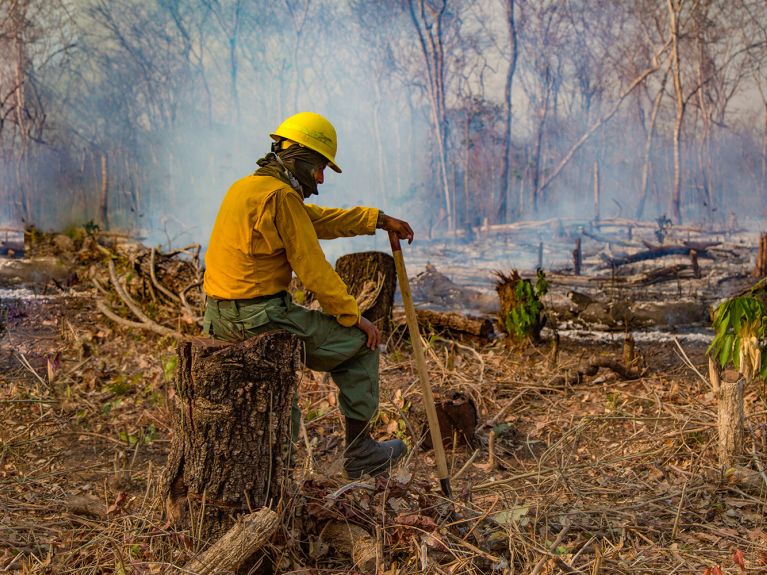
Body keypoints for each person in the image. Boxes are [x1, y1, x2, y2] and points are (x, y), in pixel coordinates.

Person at [202, 111, 414, 479]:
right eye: (318, 167)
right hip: (259, 318)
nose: (319, 178)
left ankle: (266, 474)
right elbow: (313, 269)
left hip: (217, 316)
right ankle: (359, 452)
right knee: (359, 345)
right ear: (296, 156)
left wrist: (377, 219)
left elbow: (315, 220)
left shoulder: (248, 189)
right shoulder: (280, 197)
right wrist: (353, 317)